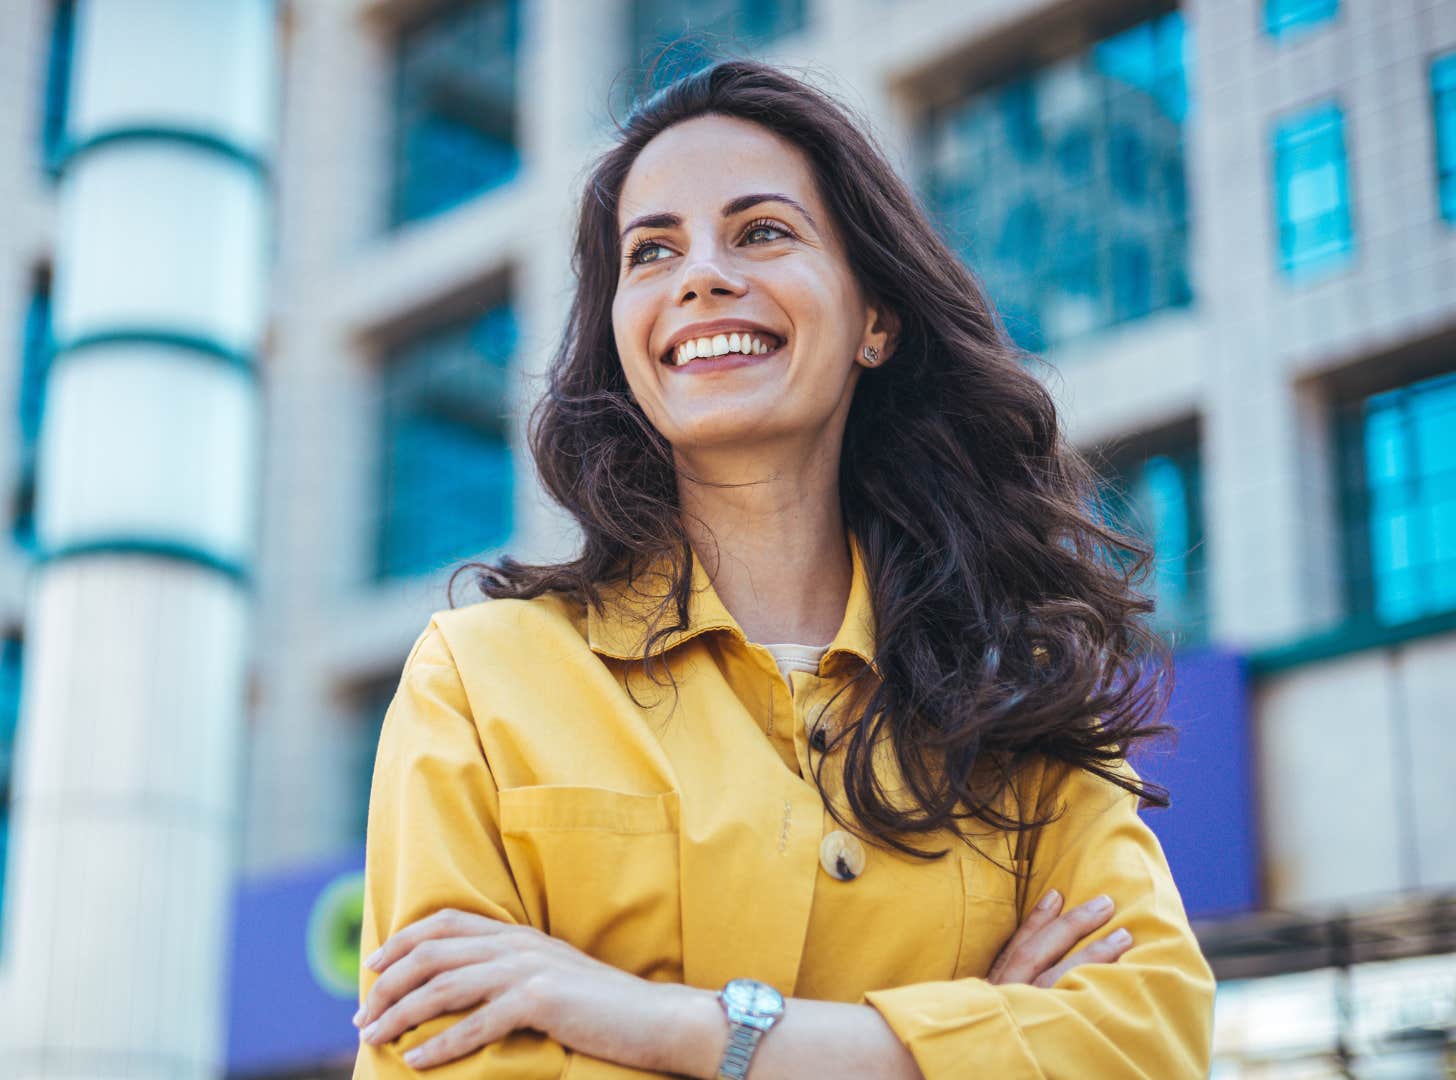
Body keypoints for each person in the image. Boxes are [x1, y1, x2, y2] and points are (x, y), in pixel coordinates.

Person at [351, 58, 1215, 1078]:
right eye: (651, 251)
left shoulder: (1018, 705)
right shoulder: (478, 681)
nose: (700, 276)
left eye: (761, 232)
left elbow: (1147, 1043)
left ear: (876, 319)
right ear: (625, 338)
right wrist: (966, 1039)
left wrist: (664, 1023)